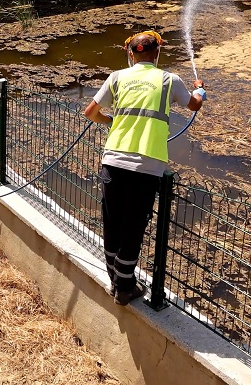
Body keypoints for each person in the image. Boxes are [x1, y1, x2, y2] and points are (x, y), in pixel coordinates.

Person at [83, 31, 206, 306]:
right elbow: (194, 105)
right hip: (147, 166)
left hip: (113, 161)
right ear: (157, 53)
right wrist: (199, 89)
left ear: (131, 54)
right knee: (134, 225)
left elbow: (90, 112)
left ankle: (116, 280)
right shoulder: (169, 80)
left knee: (112, 222)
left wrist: (112, 121)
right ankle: (125, 288)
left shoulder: (116, 77)